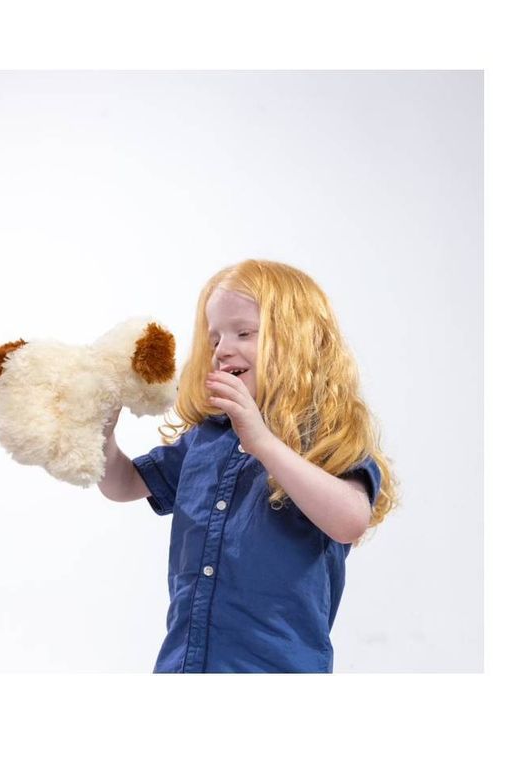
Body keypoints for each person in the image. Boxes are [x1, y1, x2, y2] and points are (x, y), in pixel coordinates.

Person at [98, 259, 397, 673]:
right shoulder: (206, 438)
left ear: (296, 341)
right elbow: (123, 485)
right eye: (214, 337)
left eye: (243, 333)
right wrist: (103, 436)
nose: (222, 349)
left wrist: (262, 443)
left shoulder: (325, 436)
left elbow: (350, 521)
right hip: (186, 665)